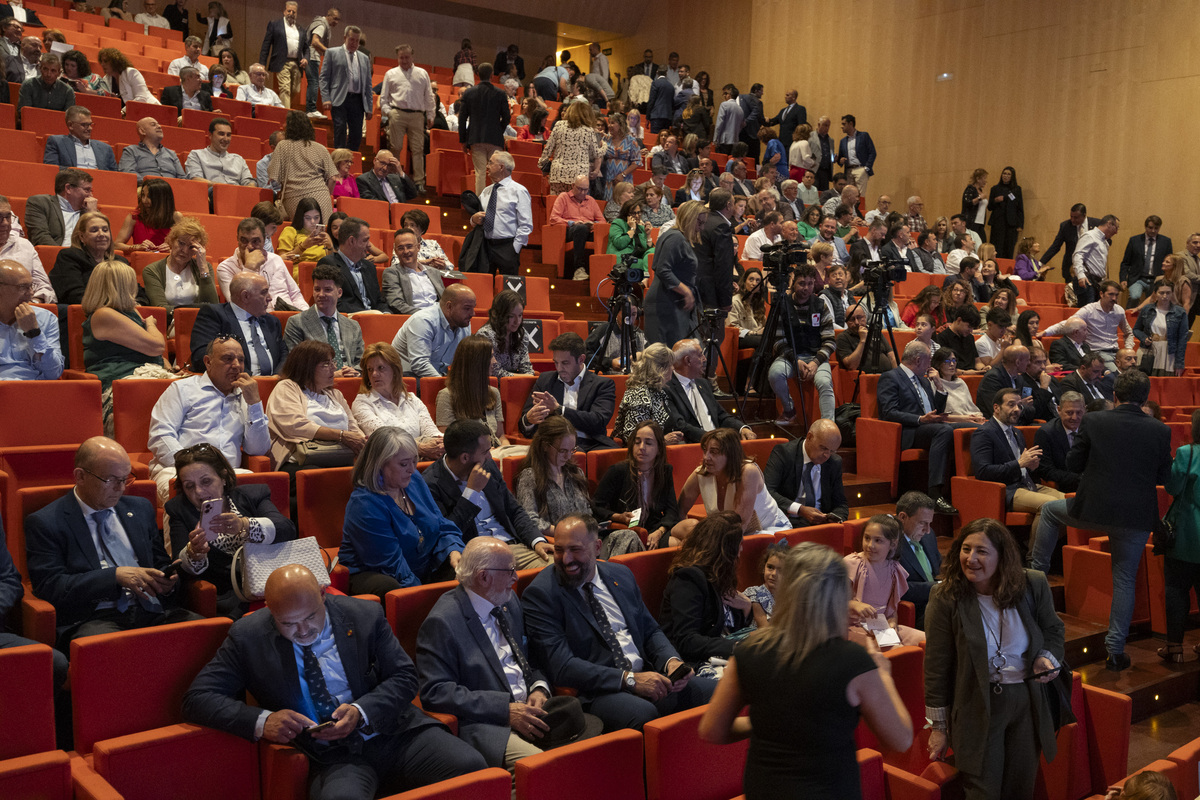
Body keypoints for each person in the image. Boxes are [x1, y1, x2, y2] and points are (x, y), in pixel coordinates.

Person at [183, 564, 486, 799]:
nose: (303, 631)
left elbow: (405, 677)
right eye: (288, 623)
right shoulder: (247, 637)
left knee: (471, 769)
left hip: (394, 732)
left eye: (310, 617)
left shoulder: (364, 615)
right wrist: (263, 721)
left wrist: (361, 711)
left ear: (324, 596)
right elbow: (198, 697)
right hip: (333, 756)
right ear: (270, 612)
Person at [699, 540, 912, 799]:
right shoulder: (853, 661)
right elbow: (901, 739)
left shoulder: (750, 650)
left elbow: (712, 729)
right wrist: (883, 674)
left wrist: (765, 721)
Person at [522, 513, 715, 731]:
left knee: (715, 693)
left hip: (647, 675)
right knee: (644, 713)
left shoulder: (620, 575)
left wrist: (671, 662)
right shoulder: (542, 593)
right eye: (559, 549)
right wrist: (630, 679)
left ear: (597, 547)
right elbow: (563, 667)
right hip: (596, 691)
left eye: (575, 549)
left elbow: (650, 630)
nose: (566, 559)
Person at [924, 519, 1066, 800]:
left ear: (1002, 556)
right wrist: (939, 728)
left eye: (982, 551)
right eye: (966, 549)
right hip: (976, 705)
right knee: (982, 792)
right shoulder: (945, 596)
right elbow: (936, 668)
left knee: (1020, 789)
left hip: (1026, 701)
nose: (971, 558)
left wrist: (1045, 658)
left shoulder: (1032, 585)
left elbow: (1053, 629)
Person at [416, 537, 578, 770]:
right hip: (489, 724)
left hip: (530, 711)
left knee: (587, 749)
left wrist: (539, 687)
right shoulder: (442, 623)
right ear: (484, 576)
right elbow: (436, 691)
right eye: (510, 570)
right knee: (542, 768)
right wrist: (505, 710)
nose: (516, 577)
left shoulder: (508, 602)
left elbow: (529, 659)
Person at [25, 436, 202, 648]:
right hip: (95, 617)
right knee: (108, 648)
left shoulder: (140, 509)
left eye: (125, 478)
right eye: (111, 480)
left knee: (204, 634)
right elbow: (51, 587)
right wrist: (114, 576)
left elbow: (158, 560)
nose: (121, 488)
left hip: (152, 609)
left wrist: (168, 580)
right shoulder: (47, 522)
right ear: (80, 476)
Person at [1067, 370, 1171, 670]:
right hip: (1135, 515)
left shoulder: (1094, 420)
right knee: (1124, 579)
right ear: (1145, 398)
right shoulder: (1159, 430)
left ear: (1115, 395)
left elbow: (1072, 463)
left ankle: (1036, 573)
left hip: (1094, 510)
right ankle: (1115, 651)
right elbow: (1164, 476)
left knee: (1048, 513)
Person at [164, 444, 293, 618]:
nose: (199, 492)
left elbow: (286, 529)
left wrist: (245, 525)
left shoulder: (252, 494)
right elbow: (180, 569)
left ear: (223, 477)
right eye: (189, 486)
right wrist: (195, 553)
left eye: (206, 481)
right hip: (230, 597)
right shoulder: (179, 509)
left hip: (274, 581)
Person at [339, 427, 464, 595]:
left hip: (421, 566)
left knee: (466, 569)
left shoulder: (413, 480)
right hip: (378, 574)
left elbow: (440, 524)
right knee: (391, 586)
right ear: (380, 464)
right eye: (404, 464)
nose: (412, 469)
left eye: (414, 461)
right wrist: (423, 596)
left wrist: (453, 550)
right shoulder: (365, 504)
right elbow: (392, 565)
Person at [425, 420, 551, 570]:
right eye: (485, 452)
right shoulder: (431, 483)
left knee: (558, 568)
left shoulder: (488, 466)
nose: (490, 457)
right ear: (465, 458)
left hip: (511, 546)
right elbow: (446, 534)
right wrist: (471, 493)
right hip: (475, 556)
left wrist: (537, 541)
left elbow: (513, 510)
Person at [878, 341, 965, 514]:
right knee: (944, 430)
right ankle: (935, 493)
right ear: (918, 360)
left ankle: (965, 487)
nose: (930, 365)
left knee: (969, 428)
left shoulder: (925, 381)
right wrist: (920, 419)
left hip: (929, 427)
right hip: (908, 431)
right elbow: (888, 412)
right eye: (929, 360)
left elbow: (937, 411)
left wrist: (939, 387)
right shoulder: (890, 377)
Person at [659, 511, 749, 668]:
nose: (741, 550)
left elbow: (732, 628)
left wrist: (747, 607)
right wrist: (736, 647)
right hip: (695, 663)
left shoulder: (720, 574)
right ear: (726, 551)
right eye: (739, 545)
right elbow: (688, 641)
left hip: (722, 654)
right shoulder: (688, 578)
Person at [674, 428, 789, 542]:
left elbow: (739, 525)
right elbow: (679, 512)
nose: (705, 457)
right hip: (728, 535)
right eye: (705, 450)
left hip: (770, 530)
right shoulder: (700, 473)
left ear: (730, 454)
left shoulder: (748, 472)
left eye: (713, 452)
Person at [519, 332, 617, 451]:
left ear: (581, 359)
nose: (559, 368)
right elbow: (524, 424)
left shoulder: (602, 385)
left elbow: (597, 421)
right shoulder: (545, 381)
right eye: (556, 362)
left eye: (565, 363)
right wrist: (529, 420)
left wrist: (559, 409)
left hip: (590, 444)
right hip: (554, 444)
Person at [591, 420, 680, 552]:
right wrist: (618, 516)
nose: (642, 447)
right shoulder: (618, 471)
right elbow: (596, 506)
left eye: (648, 443)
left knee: (691, 527)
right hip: (626, 530)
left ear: (659, 449)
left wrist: (659, 532)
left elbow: (671, 510)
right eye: (637, 442)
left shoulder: (664, 471)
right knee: (679, 545)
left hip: (654, 529)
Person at [768, 265, 836, 423]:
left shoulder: (821, 305)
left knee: (825, 383)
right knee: (774, 374)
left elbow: (830, 341)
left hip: (816, 357)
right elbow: (778, 341)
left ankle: (828, 426)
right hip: (790, 356)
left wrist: (816, 362)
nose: (806, 288)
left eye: (810, 284)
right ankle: (789, 411)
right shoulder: (783, 305)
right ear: (793, 283)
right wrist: (795, 360)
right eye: (802, 283)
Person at [845, 515, 925, 647]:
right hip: (852, 627)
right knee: (896, 649)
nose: (870, 545)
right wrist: (854, 605)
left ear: (892, 544)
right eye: (867, 538)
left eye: (878, 541)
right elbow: (833, 603)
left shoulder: (894, 569)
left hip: (880, 628)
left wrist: (892, 624)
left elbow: (892, 611)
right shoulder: (852, 564)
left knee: (926, 640)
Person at [352, 342, 441, 457]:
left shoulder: (412, 399)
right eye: (370, 369)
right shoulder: (362, 402)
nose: (374, 374)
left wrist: (439, 443)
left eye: (381, 368)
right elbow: (386, 440)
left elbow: (431, 431)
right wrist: (420, 448)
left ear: (395, 370)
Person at [1160, 410, 1200, 663]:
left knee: (1176, 589)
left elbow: (1172, 487)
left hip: (1187, 533)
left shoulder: (1188, 453)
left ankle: (1174, 647)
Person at [189, 271, 287, 375]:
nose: (269, 298)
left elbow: (284, 354)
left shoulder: (271, 321)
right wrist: (247, 378)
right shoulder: (214, 315)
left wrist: (277, 378)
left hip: (275, 385)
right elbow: (202, 356)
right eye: (264, 292)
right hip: (233, 385)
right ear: (245, 296)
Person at [434, 335, 515, 458]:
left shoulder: (494, 393)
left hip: (497, 454)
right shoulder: (447, 396)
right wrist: (484, 452)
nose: (495, 362)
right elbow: (448, 443)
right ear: (477, 362)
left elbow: (500, 436)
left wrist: (508, 453)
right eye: (491, 357)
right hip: (471, 459)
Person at [763, 418, 847, 529]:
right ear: (809, 437)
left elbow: (841, 504)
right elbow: (768, 492)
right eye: (823, 448)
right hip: (788, 521)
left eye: (832, 451)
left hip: (820, 524)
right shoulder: (784, 453)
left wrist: (834, 518)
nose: (827, 455)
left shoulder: (834, 462)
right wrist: (800, 510)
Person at [664, 338, 753, 442]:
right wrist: (711, 439)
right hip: (694, 444)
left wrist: (742, 428)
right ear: (688, 360)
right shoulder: (667, 388)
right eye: (700, 355)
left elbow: (721, 415)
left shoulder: (704, 384)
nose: (704, 359)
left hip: (717, 443)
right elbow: (679, 425)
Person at [283, 263, 362, 373]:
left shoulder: (353, 326)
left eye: (327, 290)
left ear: (339, 293)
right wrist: (331, 375)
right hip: (314, 386)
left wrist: (353, 371)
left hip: (350, 381)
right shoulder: (296, 323)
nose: (321, 294)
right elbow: (296, 365)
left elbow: (361, 362)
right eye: (317, 289)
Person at [644, 200, 703, 348]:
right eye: (699, 223)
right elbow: (662, 269)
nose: (701, 228)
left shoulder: (680, 238)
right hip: (665, 306)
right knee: (667, 357)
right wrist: (686, 292)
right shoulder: (675, 237)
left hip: (675, 305)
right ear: (690, 219)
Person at [219, 217, 308, 312]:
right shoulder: (225, 268)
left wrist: (306, 315)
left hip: (288, 317)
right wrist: (249, 268)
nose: (249, 246)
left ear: (264, 240)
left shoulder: (276, 259)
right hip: (257, 321)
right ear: (237, 239)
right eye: (244, 240)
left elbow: (295, 295)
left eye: (255, 241)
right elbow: (237, 306)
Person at [1042, 280, 1132, 372]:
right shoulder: (1089, 310)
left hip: (1116, 352)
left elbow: (1128, 332)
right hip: (1097, 352)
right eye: (1111, 294)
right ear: (1101, 294)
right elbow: (1069, 323)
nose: (1114, 298)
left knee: (1134, 373)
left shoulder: (1119, 311)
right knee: (1119, 376)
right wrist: (1046, 332)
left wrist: (1128, 349)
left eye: (1116, 295)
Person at [378, 44, 434, 192]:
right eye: (401, 57)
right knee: (395, 147)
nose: (404, 60)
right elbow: (383, 98)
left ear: (412, 56)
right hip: (397, 113)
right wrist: (389, 112)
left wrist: (430, 114)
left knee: (418, 149)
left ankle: (418, 182)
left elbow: (428, 96)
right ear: (397, 57)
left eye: (406, 57)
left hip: (417, 115)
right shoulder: (391, 74)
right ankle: (394, 178)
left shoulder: (422, 73)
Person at [392, 283, 476, 377]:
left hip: (439, 375)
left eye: (473, 308)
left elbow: (464, 360)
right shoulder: (423, 321)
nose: (473, 313)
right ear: (449, 306)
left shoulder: (463, 322)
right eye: (467, 308)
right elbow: (420, 365)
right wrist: (444, 386)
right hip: (408, 377)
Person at [141, 216, 218, 318]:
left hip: (201, 323)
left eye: (191, 247)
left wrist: (203, 269)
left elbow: (213, 306)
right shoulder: (152, 270)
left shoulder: (204, 267)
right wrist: (199, 309)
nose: (185, 251)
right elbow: (161, 309)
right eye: (181, 243)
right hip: (170, 324)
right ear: (172, 241)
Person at [470, 151, 532, 276]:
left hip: (507, 246)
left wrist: (515, 248)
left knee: (509, 291)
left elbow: (526, 224)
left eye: (491, 163)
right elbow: (477, 217)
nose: (487, 166)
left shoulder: (519, 190)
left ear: (501, 167)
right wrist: (473, 219)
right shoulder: (486, 191)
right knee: (485, 287)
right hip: (485, 246)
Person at [0, 259, 61, 379]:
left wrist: (34, 333)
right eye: (23, 287)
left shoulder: (46, 318)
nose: (31, 293)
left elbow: (53, 373)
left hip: (33, 391)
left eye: (31, 286)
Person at [270, 111, 337, 220]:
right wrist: (324, 194)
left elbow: (274, 175)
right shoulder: (321, 148)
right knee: (322, 233)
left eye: (286, 122)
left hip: (294, 196)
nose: (283, 125)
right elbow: (333, 179)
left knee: (302, 234)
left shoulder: (283, 146)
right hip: (321, 196)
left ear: (291, 126)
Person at [456, 62, 509, 196]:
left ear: (477, 75)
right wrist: (498, 130)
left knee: (480, 173)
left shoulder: (469, 93)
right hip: (495, 139)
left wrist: (463, 140)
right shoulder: (500, 93)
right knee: (496, 173)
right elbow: (507, 117)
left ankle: (481, 204)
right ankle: (494, 203)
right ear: (492, 75)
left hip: (476, 137)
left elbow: (462, 119)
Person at [891, 491, 940, 629]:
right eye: (923, 523)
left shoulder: (928, 536)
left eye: (930, 523)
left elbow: (936, 569)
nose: (928, 530)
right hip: (917, 610)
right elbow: (897, 587)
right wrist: (938, 588)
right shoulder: (889, 543)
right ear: (902, 517)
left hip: (935, 601)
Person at [319, 26, 373, 150]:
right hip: (339, 98)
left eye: (357, 41)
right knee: (340, 129)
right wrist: (326, 98)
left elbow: (368, 85)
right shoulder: (332, 53)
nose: (354, 43)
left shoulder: (364, 58)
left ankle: (348, 159)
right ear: (345, 38)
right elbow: (324, 78)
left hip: (357, 101)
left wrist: (369, 107)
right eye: (351, 40)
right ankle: (339, 160)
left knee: (357, 135)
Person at [318, 216, 382, 314]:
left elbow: (379, 301)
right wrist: (368, 314)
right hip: (347, 319)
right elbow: (334, 302)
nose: (369, 245)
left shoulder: (369, 267)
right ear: (351, 241)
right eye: (365, 240)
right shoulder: (328, 264)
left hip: (374, 318)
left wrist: (386, 313)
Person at [549, 174, 605, 281]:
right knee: (580, 228)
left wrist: (593, 224)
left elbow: (602, 221)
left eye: (585, 190)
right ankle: (579, 269)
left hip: (588, 231)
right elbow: (553, 218)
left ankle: (601, 271)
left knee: (603, 233)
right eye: (580, 189)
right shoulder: (564, 197)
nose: (583, 193)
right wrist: (571, 223)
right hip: (569, 230)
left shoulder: (591, 201)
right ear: (573, 185)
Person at [538, 101, 601, 196]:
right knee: (575, 207)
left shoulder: (559, 125)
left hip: (558, 173)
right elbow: (596, 153)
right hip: (579, 176)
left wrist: (541, 163)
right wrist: (604, 145)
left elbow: (548, 148)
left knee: (557, 204)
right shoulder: (589, 130)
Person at [381, 228, 445, 315]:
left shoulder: (434, 272)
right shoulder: (392, 273)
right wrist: (428, 315)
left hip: (440, 316)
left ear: (418, 247)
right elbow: (396, 304)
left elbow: (444, 299)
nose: (406, 251)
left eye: (409, 246)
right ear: (396, 251)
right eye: (400, 248)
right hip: (415, 318)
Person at [1132, 277, 1188, 376]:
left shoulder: (1180, 312)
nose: (1165, 296)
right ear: (1155, 293)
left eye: (1168, 293)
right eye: (1161, 293)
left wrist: (1179, 363)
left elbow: (1182, 339)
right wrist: (1144, 338)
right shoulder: (1147, 309)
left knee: (1164, 384)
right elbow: (1136, 329)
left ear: (1172, 293)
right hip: (1148, 351)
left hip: (1168, 353)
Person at [474, 288, 531, 378]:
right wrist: (524, 377)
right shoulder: (485, 335)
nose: (517, 321)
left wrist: (527, 377)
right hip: (491, 387)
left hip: (516, 385)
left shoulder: (522, 334)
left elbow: (527, 368)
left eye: (520, 315)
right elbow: (494, 372)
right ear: (496, 314)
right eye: (511, 316)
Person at [258, 2, 304, 108]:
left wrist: (305, 58)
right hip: (282, 62)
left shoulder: (300, 28)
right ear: (284, 12)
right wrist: (262, 63)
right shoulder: (275, 25)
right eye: (289, 11)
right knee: (285, 89)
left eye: (294, 12)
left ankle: (279, 106)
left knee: (295, 90)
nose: (291, 13)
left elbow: (305, 47)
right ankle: (285, 116)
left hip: (297, 63)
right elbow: (266, 45)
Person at [1043, 203, 1101, 283]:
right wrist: (1041, 262)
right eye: (1071, 216)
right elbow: (1055, 246)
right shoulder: (1065, 226)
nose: (1072, 220)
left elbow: (1107, 241)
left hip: (1092, 268)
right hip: (1071, 269)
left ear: (1084, 215)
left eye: (1076, 217)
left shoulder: (1097, 224)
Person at [186, 118, 254, 185]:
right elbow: (196, 180)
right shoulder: (196, 155)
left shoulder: (239, 159)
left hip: (238, 194)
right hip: (211, 194)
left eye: (228, 135)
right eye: (221, 134)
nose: (226, 139)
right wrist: (223, 188)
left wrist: (250, 188)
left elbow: (249, 182)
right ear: (210, 135)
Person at [1071, 215, 1121, 307]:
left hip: (1096, 283)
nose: (1116, 232)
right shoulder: (1090, 236)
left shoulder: (1104, 242)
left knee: (1095, 313)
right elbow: (1078, 255)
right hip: (1087, 280)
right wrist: (1080, 275)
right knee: (1088, 313)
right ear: (1109, 224)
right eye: (1116, 228)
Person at [118, 118, 186, 180]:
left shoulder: (171, 154)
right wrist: (150, 185)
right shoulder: (131, 151)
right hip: (144, 189)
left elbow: (182, 178)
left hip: (172, 190)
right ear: (142, 131)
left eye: (158, 124)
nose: (159, 126)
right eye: (153, 125)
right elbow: (128, 173)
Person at [836, 304, 896, 375]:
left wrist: (897, 376)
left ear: (865, 317)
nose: (857, 323)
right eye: (852, 319)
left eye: (859, 317)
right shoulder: (843, 337)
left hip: (887, 376)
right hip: (864, 378)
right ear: (846, 322)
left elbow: (891, 356)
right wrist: (862, 340)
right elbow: (851, 366)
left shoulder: (875, 331)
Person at [929, 349, 985, 423]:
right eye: (947, 361)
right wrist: (964, 418)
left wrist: (978, 417)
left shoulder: (960, 382)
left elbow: (971, 407)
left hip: (968, 419)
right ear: (938, 365)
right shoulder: (933, 383)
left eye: (954, 360)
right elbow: (937, 414)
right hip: (950, 422)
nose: (952, 364)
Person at [278, 197, 332, 263]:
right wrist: (303, 247)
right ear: (300, 217)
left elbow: (332, 263)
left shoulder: (323, 236)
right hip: (299, 270)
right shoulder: (290, 231)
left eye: (316, 217)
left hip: (322, 270)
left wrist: (330, 247)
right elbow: (284, 262)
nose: (313, 221)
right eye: (308, 218)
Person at [18, 52, 72, 119]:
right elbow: (24, 113)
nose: (48, 74)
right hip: (31, 123)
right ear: (40, 69)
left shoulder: (67, 91)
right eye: (45, 69)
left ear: (59, 73)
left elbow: (69, 118)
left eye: (53, 71)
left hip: (56, 126)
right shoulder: (28, 85)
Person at [986, 167, 1024, 258]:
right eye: (1004, 173)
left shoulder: (1016, 189)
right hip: (998, 222)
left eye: (1008, 174)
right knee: (996, 247)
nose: (1006, 176)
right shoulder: (995, 189)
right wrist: (995, 201)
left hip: (1011, 224)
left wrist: (1020, 224)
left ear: (1012, 176)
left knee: (1009, 247)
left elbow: (1019, 206)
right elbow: (990, 207)